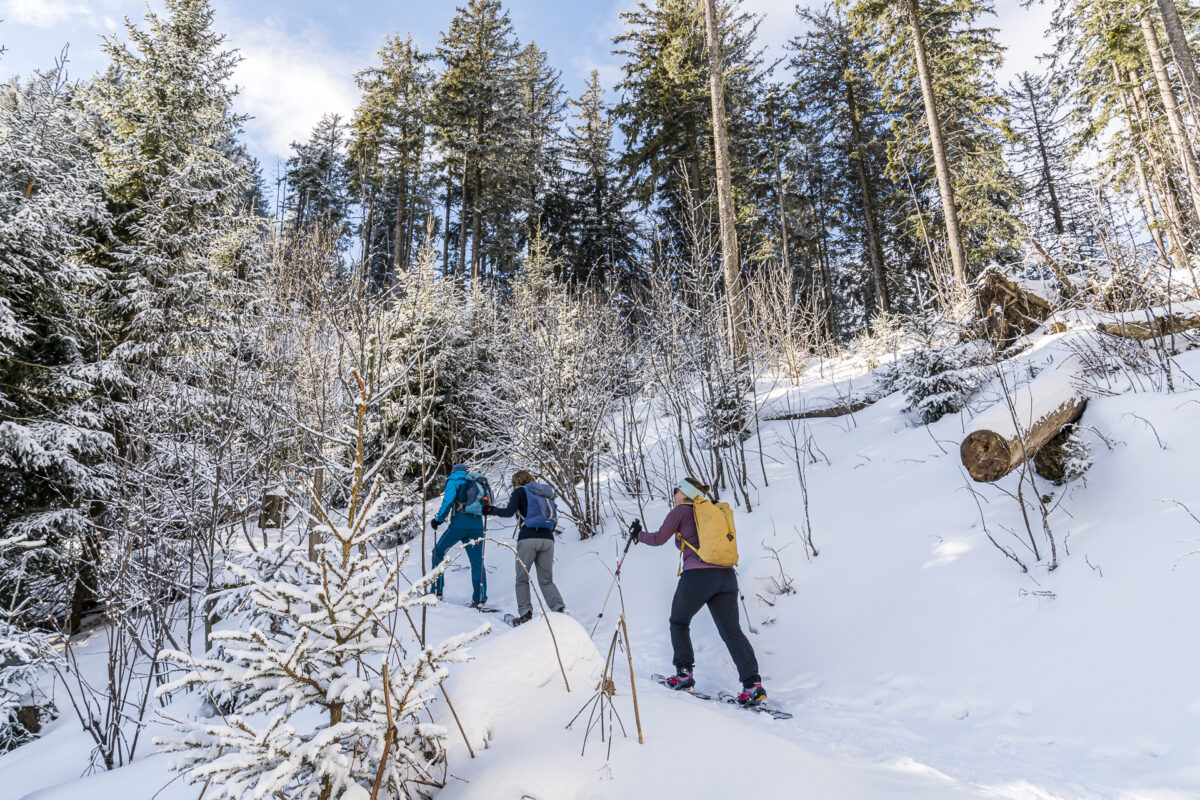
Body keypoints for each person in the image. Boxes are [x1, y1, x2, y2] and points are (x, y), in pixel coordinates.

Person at [637, 477, 766, 707]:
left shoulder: (681, 511)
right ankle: (753, 685)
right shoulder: (711, 511)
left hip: (697, 577)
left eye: (675, 491)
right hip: (726, 577)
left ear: (683, 493)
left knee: (678, 621)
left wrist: (637, 535)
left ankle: (684, 675)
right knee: (731, 631)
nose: (673, 495)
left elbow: (658, 539)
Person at [486, 470, 566, 624]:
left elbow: (509, 512)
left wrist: (490, 510)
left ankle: (525, 615)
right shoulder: (544, 492)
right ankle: (559, 610)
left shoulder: (520, 491)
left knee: (522, 579)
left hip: (528, 537)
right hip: (548, 539)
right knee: (546, 580)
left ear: (516, 482)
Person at [430, 463, 488, 607]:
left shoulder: (454, 479)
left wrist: (438, 520)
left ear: (453, 471)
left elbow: (448, 500)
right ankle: (479, 598)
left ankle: (436, 591)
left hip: (459, 524)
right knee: (477, 562)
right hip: (477, 525)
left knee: (438, 551)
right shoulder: (476, 481)